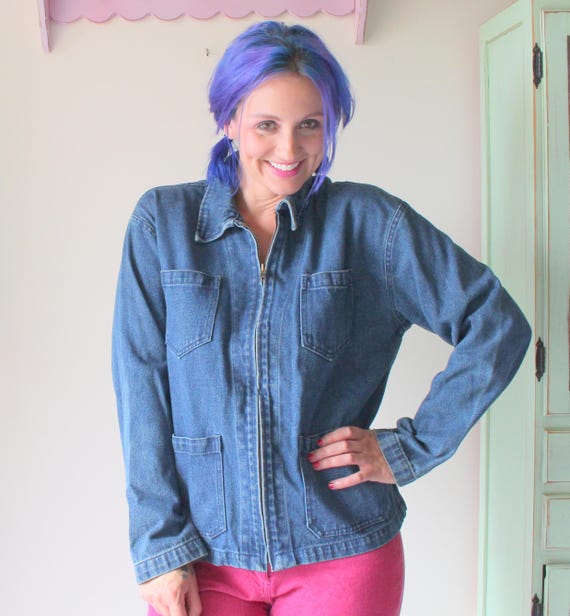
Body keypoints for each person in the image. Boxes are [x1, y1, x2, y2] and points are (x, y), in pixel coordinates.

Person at [112, 21, 531, 616]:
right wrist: (158, 547)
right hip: (202, 555)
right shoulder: (163, 225)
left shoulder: (370, 223)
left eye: (310, 124)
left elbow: (496, 322)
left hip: (343, 551)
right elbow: (141, 390)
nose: (289, 151)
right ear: (229, 121)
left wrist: (410, 448)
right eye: (267, 125)